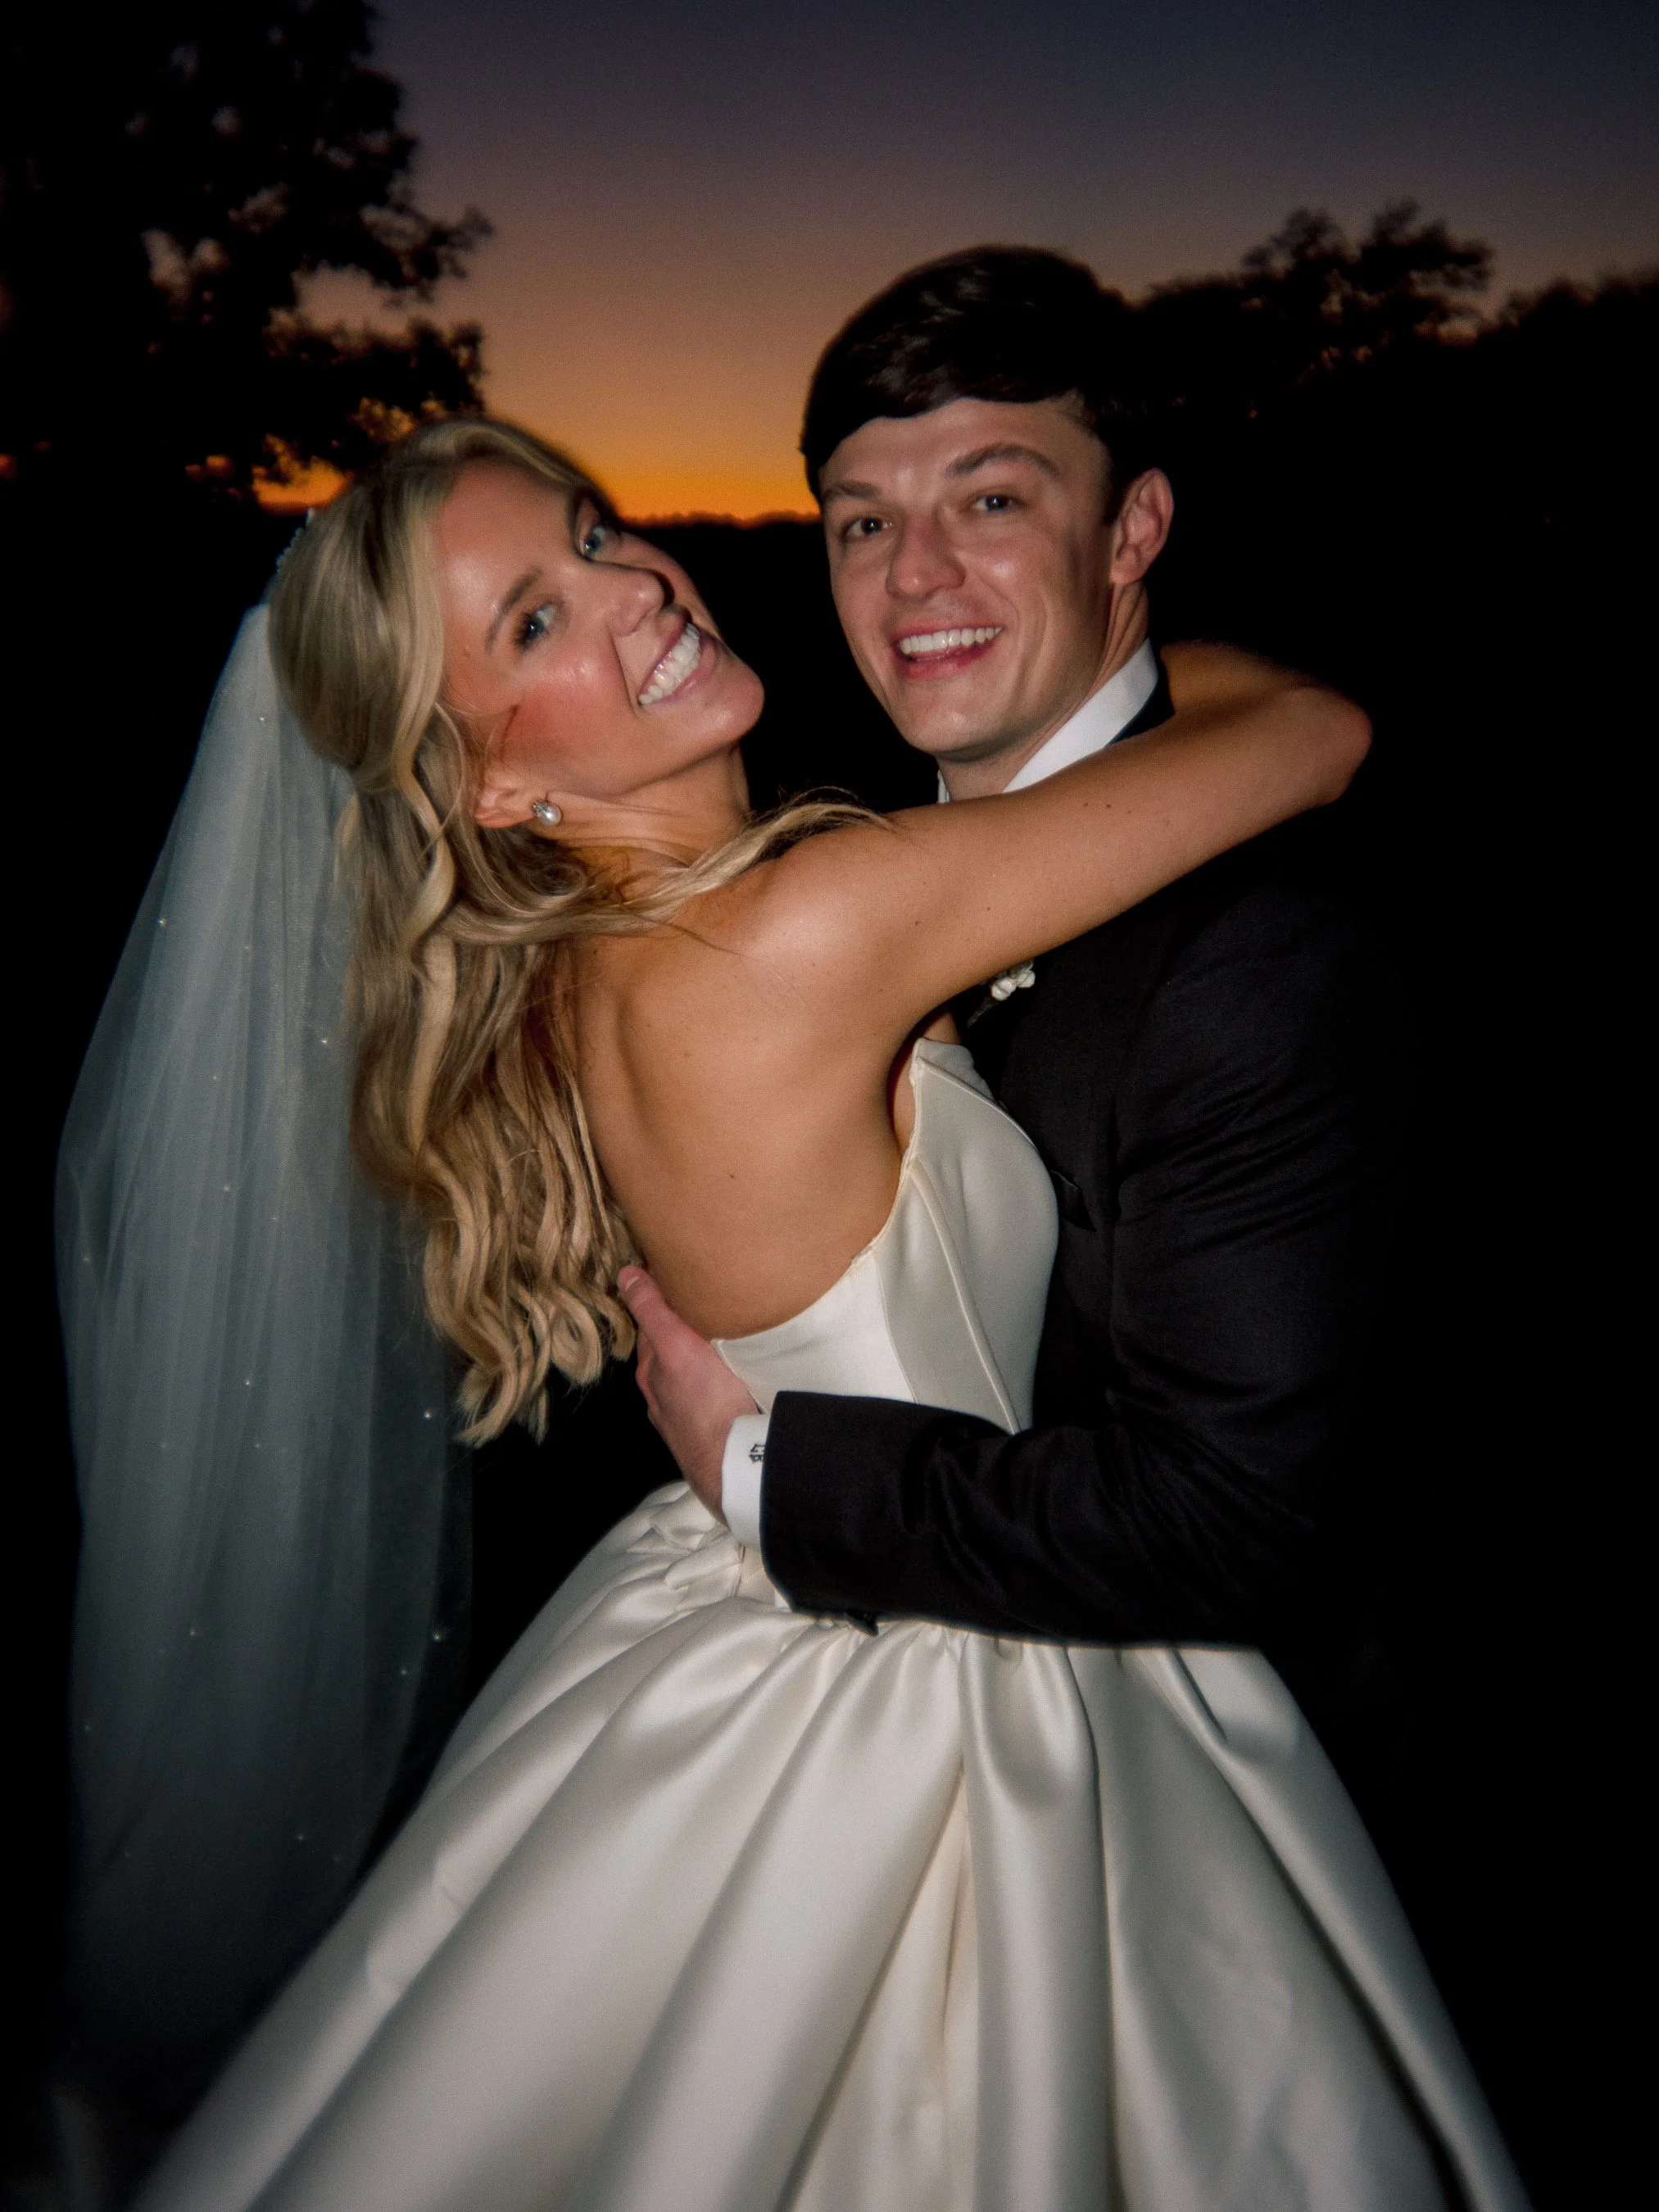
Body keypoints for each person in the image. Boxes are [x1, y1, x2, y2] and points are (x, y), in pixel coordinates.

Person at [102, 401, 1525, 2212]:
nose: (635, 593)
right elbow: (1315, 734)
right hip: (949, 1672)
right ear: (488, 786)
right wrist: (1120, 606)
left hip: (760, 1596)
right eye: (532, 621)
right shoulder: (794, 940)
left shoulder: (625, 959)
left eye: (598, 530)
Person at [628, 249, 1411, 1778]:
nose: (915, 574)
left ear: (1135, 530)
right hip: (858, 1718)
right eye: (865, 521)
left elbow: (1229, 1523)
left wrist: (770, 1474)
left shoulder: (1253, 948)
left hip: (1179, 1769)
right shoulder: (835, 876)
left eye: (990, 500)